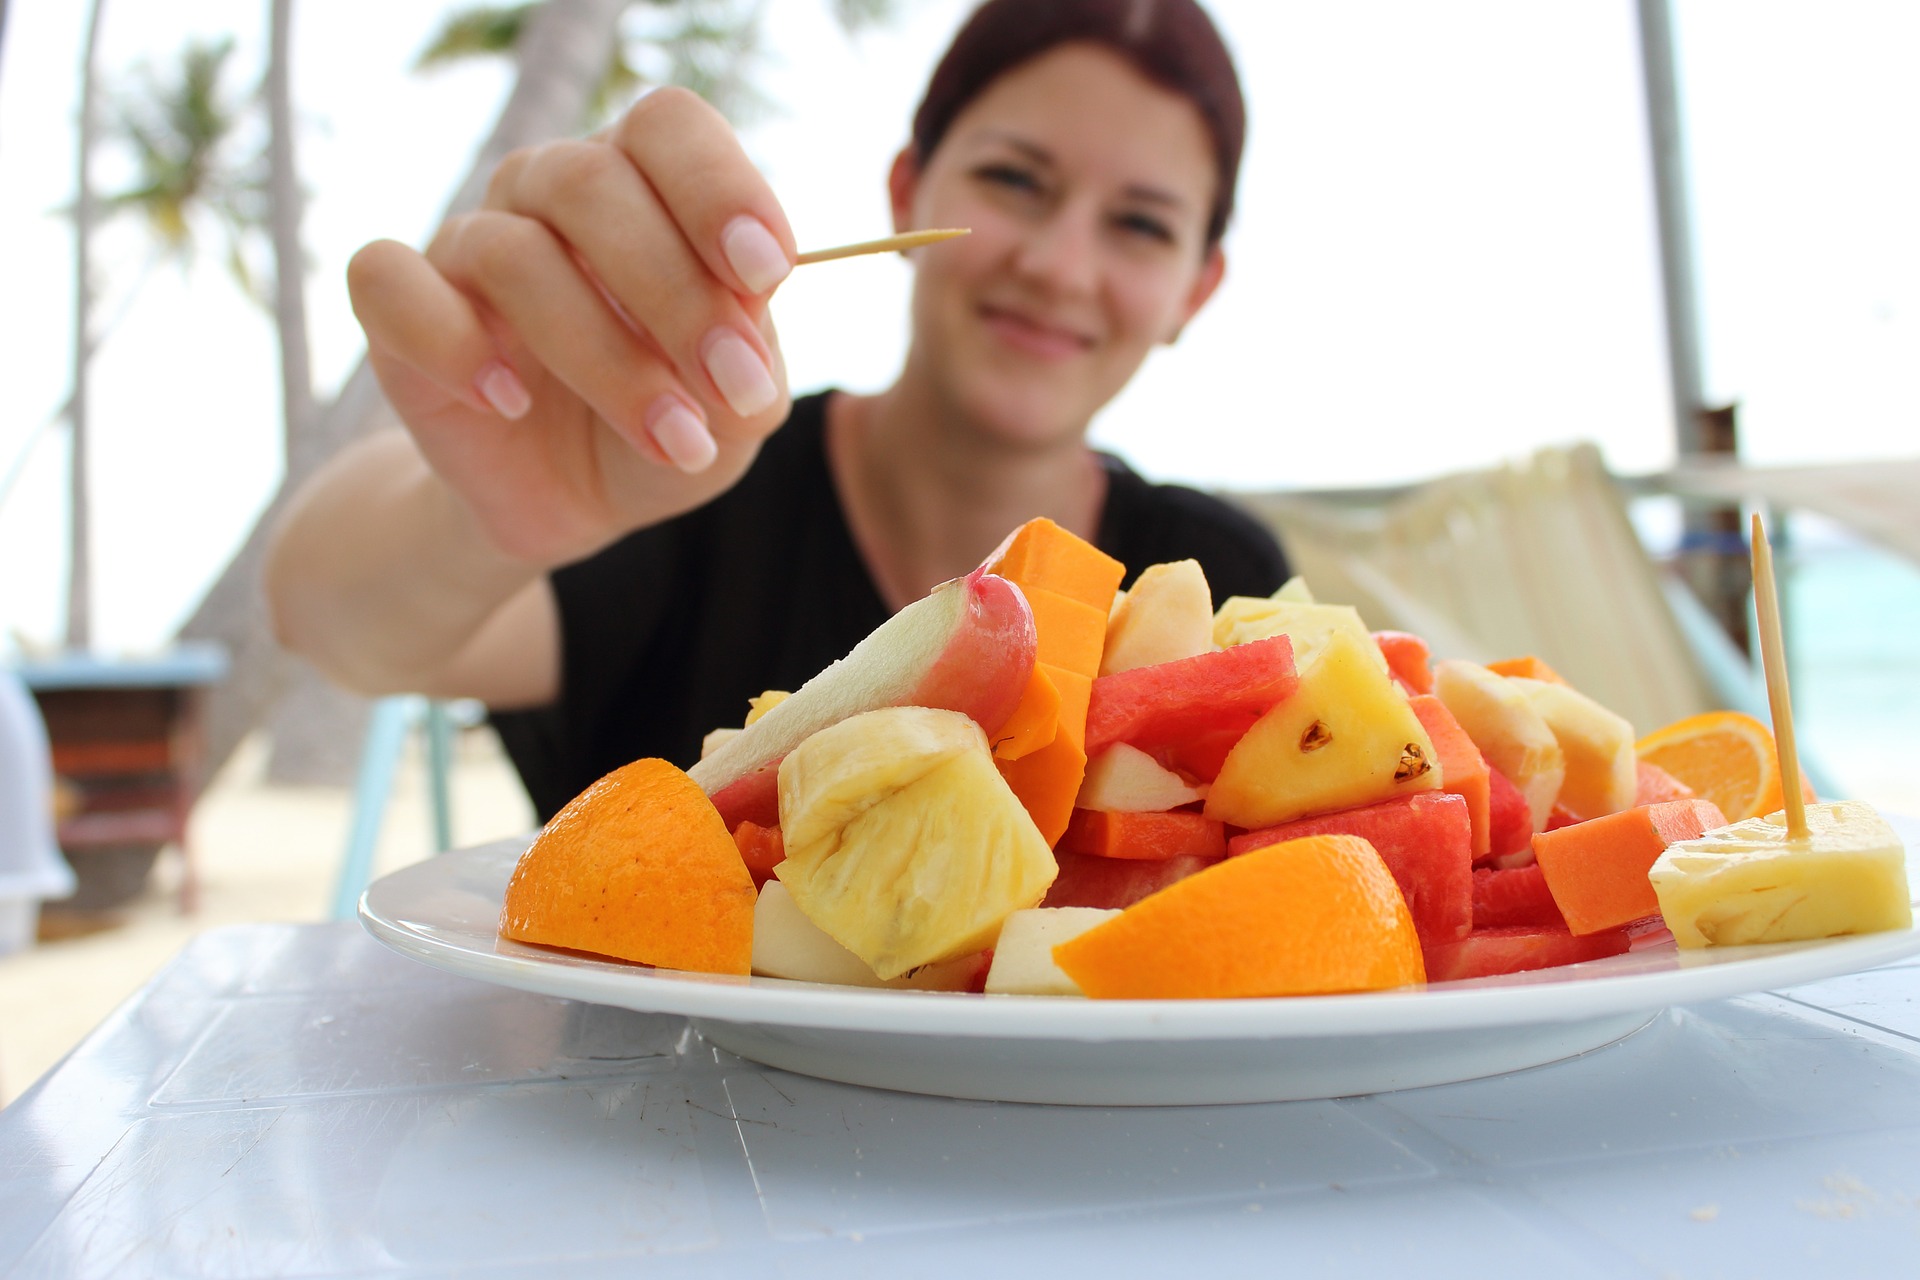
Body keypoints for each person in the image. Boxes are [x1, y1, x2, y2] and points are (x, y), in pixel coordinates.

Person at [266, 0, 1288, 821]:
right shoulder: (682, 479)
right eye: (1014, 180)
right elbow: (324, 621)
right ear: (907, 190)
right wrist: (484, 515)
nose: (1060, 264)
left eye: (1141, 226)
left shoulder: (1225, 589)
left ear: (1196, 289)